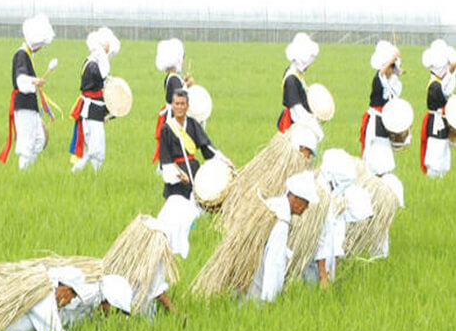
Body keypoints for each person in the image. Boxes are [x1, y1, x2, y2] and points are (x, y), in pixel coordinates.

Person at [156, 89, 232, 259]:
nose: (180, 107)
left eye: (183, 104)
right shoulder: (167, 129)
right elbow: (165, 160)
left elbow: (207, 147)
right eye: (177, 104)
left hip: (194, 172)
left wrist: (224, 160)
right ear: (172, 106)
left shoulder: (193, 125)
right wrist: (177, 175)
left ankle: (195, 238)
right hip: (176, 176)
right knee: (174, 212)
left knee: (195, 211)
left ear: (188, 106)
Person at [248, 170, 319, 302]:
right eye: (306, 202)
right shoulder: (281, 222)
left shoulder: (272, 206)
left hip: (249, 283)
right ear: (296, 199)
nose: (307, 207)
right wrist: (270, 301)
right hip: (257, 292)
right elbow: (274, 264)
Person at [306, 150, 372, 288]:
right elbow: (320, 240)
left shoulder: (338, 199)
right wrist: (323, 275)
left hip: (327, 265)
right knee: (310, 292)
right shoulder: (319, 198)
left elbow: (337, 239)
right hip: (314, 267)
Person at [0, 14, 57, 169]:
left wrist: (34, 82)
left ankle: (28, 171)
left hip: (30, 105)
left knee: (39, 139)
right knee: (26, 143)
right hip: (23, 105)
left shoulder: (27, 55)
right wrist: (34, 81)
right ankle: (23, 173)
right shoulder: (21, 54)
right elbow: (20, 79)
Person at [69, 27, 120, 172]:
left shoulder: (94, 64)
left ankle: (88, 176)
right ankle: (84, 174)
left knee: (94, 149)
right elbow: (100, 84)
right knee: (96, 150)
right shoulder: (92, 65)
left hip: (94, 111)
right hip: (91, 111)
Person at [3, 266, 85, 331]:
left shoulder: (50, 296)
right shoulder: (44, 297)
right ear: (66, 290)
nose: (71, 301)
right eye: (73, 296)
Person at [360, 40, 402, 176]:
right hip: (376, 122)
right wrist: (392, 59)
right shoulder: (378, 79)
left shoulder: (389, 82)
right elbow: (382, 74)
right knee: (376, 152)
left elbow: (394, 92)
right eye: (391, 67)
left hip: (384, 122)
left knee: (384, 151)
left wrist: (396, 66)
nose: (392, 70)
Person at [420, 39, 456, 177]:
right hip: (436, 122)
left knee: (442, 150)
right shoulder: (434, 85)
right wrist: (452, 72)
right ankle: (433, 177)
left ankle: (439, 177)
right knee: (436, 150)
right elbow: (445, 90)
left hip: (440, 121)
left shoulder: (438, 83)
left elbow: (448, 87)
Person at [152, 38, 192, 163]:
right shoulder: (174, 79)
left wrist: (184, 83)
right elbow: (179, 97)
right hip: (173, 120)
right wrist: (187, 86)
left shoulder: (172, 78)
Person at [277, 33, 323, 138]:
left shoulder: (295, 74)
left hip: (299, 127)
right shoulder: (291, 80)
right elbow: (297, 113)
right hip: (294, 131)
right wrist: (315, 128)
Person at [60, 274, 132, 326]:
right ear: (107, 301)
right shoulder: (88, 293)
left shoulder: (97, 304)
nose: (112, 313)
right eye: (116, 310)